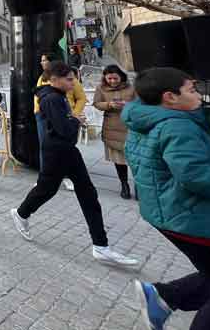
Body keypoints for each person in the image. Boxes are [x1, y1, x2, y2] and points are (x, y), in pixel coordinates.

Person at [122, 68, 210, 329]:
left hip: (171, 212)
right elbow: (197, 177)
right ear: (169, 97)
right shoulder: (176, 124)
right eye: (192, 90)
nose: (198, 95)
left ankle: (165, 296)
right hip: (191, 217)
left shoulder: (147, 116)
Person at [10, 61, 138, 267]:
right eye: (69, 79)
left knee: (86, 193)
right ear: (54, 79)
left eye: (74, 78)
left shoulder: (56, 96)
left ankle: (100, 245)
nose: (74, 82)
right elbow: (64, 129)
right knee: (47, 189)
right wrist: (76, 120)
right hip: (57, 151)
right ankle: (21, 213)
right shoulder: (51, 98)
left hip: (66, 151)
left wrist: (73, 119)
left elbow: (64, 126)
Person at [35, 52, 86, 191]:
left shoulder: (68, 77)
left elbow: (81, 97)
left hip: (65, 115)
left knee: (66, 146)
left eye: (44, 60)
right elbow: (38, 95)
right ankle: (44, 178)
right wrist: (37, 111)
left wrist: (74, 115)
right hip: (43, 116)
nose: (42, 63)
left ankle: (67, 177)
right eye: (41, 60)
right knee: (46, 147)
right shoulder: (42, 77)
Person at [92, 65, 136, 199]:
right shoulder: (101, 88)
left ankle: (139, 186)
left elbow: (140, 103)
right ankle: (124, 185)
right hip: (112, 126)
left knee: (135, 159)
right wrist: (109, 105)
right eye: (109, 78)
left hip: (131, 126)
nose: (112, 81)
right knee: (119, 160)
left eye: (115, 78)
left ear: (121, 76)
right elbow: (96, 103)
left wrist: (127, 105)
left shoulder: (131, 87)